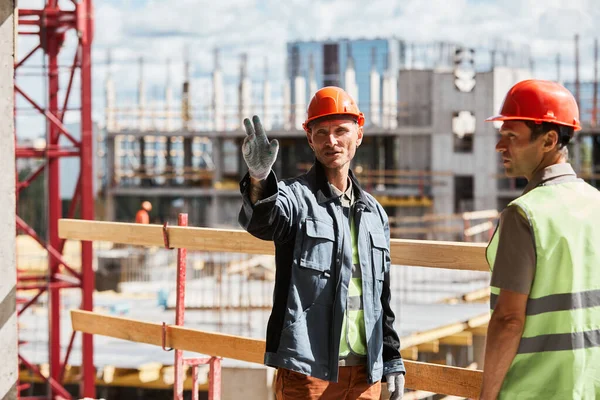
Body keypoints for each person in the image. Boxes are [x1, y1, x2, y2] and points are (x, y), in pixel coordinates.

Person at [238, 86, 405, 400]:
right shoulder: (295, 198)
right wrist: (259, 178)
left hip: (365, 373)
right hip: (308, 371)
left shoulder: (374, 213)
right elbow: (262, 221)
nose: (332, 141)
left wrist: (392, 358)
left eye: (341, 131)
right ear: (309, 138)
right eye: (322, 132)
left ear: (358, 134)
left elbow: (381, 298)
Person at [480, 79, 600, 399]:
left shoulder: (524, 214)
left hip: (534, 389)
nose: (499, 146)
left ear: (548, 140)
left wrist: (486, 395)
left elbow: (508, 320)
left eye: (511, 136)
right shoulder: (595, 203)